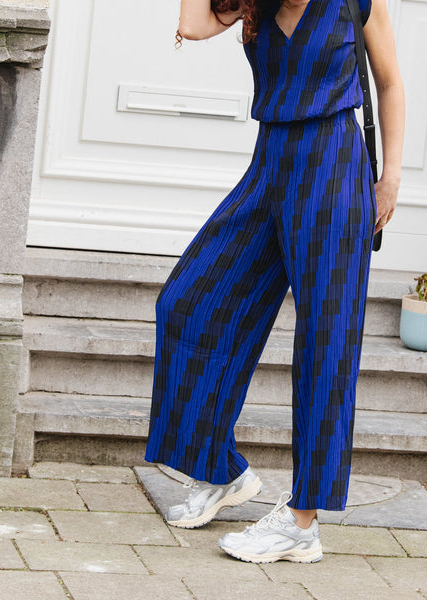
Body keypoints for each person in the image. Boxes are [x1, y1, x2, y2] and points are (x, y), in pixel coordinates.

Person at [144, 0, 405, 564]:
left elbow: (388, 82)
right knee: (187, 303)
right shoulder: (253, 5)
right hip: (270, 165)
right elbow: (191, 24)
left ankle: (302, 522)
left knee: (325, 345)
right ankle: (221, 469)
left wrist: (390, 178)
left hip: (334, 169)